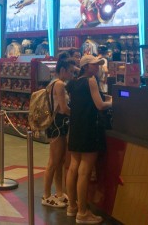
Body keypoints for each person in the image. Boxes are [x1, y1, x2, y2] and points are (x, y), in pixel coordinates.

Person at [65, 55, 112, 224]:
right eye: (94, 65)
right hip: (89, 129)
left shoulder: (73, 83)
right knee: (84, 171)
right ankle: (83, 213)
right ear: (86, 67)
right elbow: (100, 105)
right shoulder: (90, 81)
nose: (97, 67)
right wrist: (114, 102)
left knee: (73, 168)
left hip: (76, 128)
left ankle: (72, 207)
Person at [42, 58, 79, 208]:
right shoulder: (59, 85)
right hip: (57, 125)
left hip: (57, 125)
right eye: (71, 71)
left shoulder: (53, 83)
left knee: (59, 161)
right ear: (63, 70)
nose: (72, 74)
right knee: (53, 161)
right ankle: (46, 196)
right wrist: (78, 113)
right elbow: (64, 108)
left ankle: (59, 193)